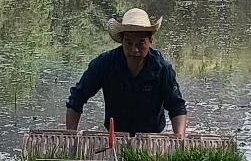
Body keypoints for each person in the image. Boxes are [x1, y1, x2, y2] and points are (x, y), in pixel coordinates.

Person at [65, 8, 188, 136]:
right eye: (129, 43)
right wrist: (71, 135)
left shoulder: (162, 69)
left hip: (151, 136)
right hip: (115, 134)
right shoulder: (104, 64)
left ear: (150, 40)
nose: (134, 50)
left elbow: (177, 107)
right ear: (122, 41)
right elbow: (77, 97)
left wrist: (179, 141)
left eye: (141, 43)